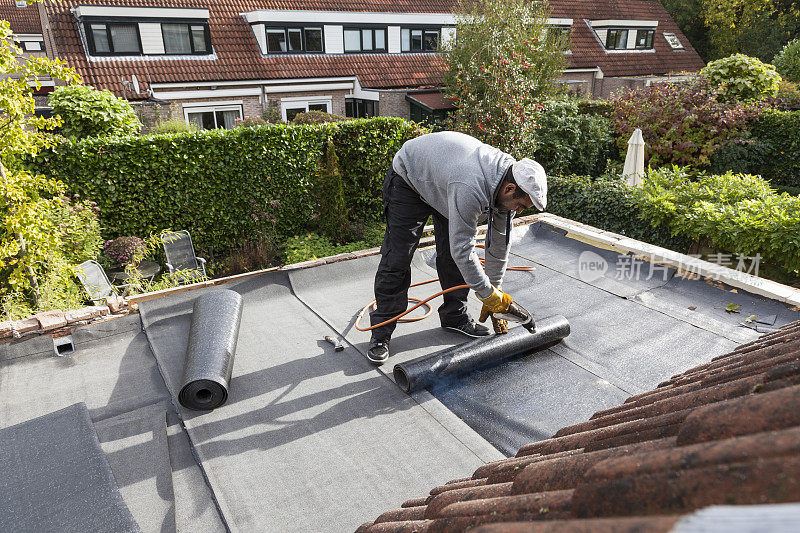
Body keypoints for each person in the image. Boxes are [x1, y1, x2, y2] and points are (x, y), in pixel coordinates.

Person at [367, 131, 547, 364]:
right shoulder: (470, 187)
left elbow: (499, 244)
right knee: (398, 257)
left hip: (445, 181)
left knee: (453, 257)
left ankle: (455, 316)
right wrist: (488, 295)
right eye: (521, 205)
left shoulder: (507, 186)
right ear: (509, 189)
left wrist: (495, 291)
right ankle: (381, 333)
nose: (519, 211)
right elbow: (463, 249)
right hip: (410, 179)